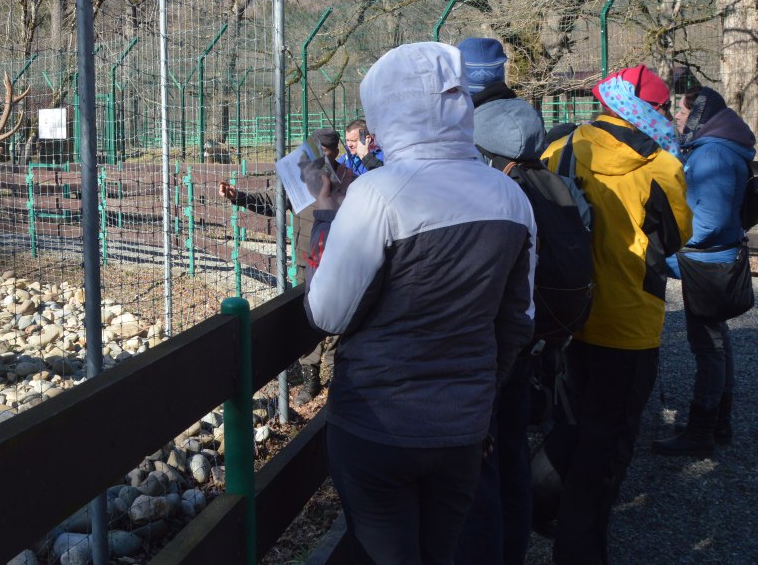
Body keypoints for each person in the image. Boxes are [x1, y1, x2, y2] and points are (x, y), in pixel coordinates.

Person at [306, 42, 536, 565]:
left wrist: (325, 220)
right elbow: (517, 321)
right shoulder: (509, 197)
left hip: (378, 425)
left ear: (388, 110)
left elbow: (327, 313)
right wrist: (479, 394)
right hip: (462, 430)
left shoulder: (378, 193)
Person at [539, 64, 691, 565]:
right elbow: (677, 235)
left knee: (567, 420)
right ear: (650, 111)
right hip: (627, 324)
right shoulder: (662, 166)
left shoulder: (557, 150)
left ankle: (539, 507)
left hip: (563, 315)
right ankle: (579, 551)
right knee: (606, 443)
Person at [454, 36, 546, 565]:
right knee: (512, 453)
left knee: (480, 463)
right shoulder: (542, 166)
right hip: (531, 338)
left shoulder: (492, 185)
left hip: (489, 349)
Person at [651, 86, 752, 457]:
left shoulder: (711, 155)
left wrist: (668, 249)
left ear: (699, 115)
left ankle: (702, 430)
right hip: (717, 259)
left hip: (707, 264)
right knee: (716, 342)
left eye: (682, 110)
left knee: (708, 346)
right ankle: (717, 422)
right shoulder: (719, 147)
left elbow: (707, 221)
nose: (677, 116)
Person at [219, 126, 353, 403]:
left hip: (342, 260)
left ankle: (338, 368)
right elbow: (271, 202)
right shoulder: (300, 182)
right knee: (308, 318)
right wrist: (239, 197)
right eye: (314, 155)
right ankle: (310, 376)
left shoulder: (349, 180)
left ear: (335, 153)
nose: (319, 162)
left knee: (344, 316)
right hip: (308, 261)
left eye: (325, 155)